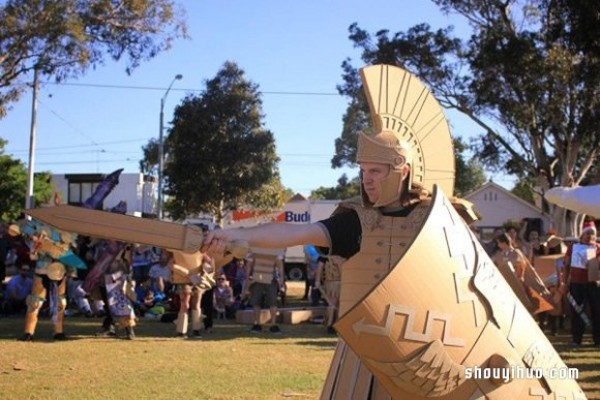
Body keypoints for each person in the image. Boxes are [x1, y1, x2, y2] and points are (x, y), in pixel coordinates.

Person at [202, 65, 583, 398]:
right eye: (363, 171)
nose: (367, 181)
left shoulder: (441, 220)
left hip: (434, 357)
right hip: (363, 357)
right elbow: (293, 234)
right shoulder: (353, 220)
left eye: (376, 172)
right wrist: (241, 236)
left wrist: (531, 299)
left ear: (403, 171)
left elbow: (478, 284)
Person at [561, 220, 600, 346]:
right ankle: (576, 339)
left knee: (597, 311)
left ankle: (598, 339)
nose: (590, 236)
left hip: (594, 284)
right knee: (577, 311)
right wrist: (564, 282)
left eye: (592, 234)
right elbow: (566, 266)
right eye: (587, 233)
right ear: (582, 235)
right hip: (577, 283)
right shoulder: (573, 248)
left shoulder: (598, 248)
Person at [244, 248, 285, 334]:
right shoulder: (253, 248)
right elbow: (249, 264)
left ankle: (273, 325)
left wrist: (281, 279)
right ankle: (257, 324)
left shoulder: (275, 248)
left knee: (273, 302)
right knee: (256, 302)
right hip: (256, 279)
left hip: (271, 279)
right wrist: (247, 279)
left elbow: (280, 264)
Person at [314, 255, 342, 335]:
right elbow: (320, 267)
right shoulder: (325, 256)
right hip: (331, 283)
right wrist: (317, 280)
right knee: (332, 305)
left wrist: (318, 280)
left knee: (336, 305)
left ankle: (334, 325)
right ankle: (331, 325)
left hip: (337, 282)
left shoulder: (341, 256)